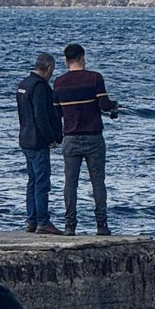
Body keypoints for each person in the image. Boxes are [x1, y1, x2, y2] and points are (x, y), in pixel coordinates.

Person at [53, 43, 118, 235]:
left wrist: (56, 138)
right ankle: (101, 225)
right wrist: (115, 105)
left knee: (70, 183)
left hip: (70, 138)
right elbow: (104, 105)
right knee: (98, 182)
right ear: (83, 57)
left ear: (66, 61)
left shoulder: (59, 83)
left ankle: (69, 226)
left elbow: (56, 113)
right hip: (93, 137)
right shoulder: (94, 78)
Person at [16, 52, 63, 234]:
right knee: (42, 181)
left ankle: (32, 219)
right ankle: (43, 221)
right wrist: (51, 138)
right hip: (37, 141)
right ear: (49, 68)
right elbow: (41, 117)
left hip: (25, 138)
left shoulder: (24, 85)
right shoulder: (40, 87)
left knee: (33, 181)